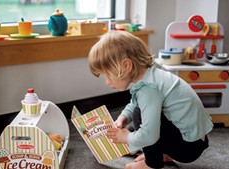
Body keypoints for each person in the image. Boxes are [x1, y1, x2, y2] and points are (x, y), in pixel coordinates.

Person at [88, 30, 213, 169]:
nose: (107, 82)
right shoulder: (151, 77)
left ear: (126, 66)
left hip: (188, 148)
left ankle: (152, 163)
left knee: (139, 114)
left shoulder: (148, 90)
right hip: (195, 141)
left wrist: (127, 138)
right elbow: (134, 102)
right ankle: (164, 154)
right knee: (140, 111)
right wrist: (123, 117)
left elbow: (149, 134)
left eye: (108, 76)